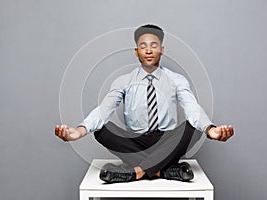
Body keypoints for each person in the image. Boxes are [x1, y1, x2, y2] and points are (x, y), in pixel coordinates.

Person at [55, 24, 234, 183]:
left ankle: (137, 172)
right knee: (103, 130)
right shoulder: (123, 81)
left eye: (154, 46)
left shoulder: (177, 80)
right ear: (136, 51)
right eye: (143, 46)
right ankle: (162, 171)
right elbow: (104, 110)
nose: (148, 50)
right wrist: (78, 131)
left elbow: (192, 108)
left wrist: (211, 130)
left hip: (166, 140)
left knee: (192, 128)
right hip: (135, 142)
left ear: (162, 50)